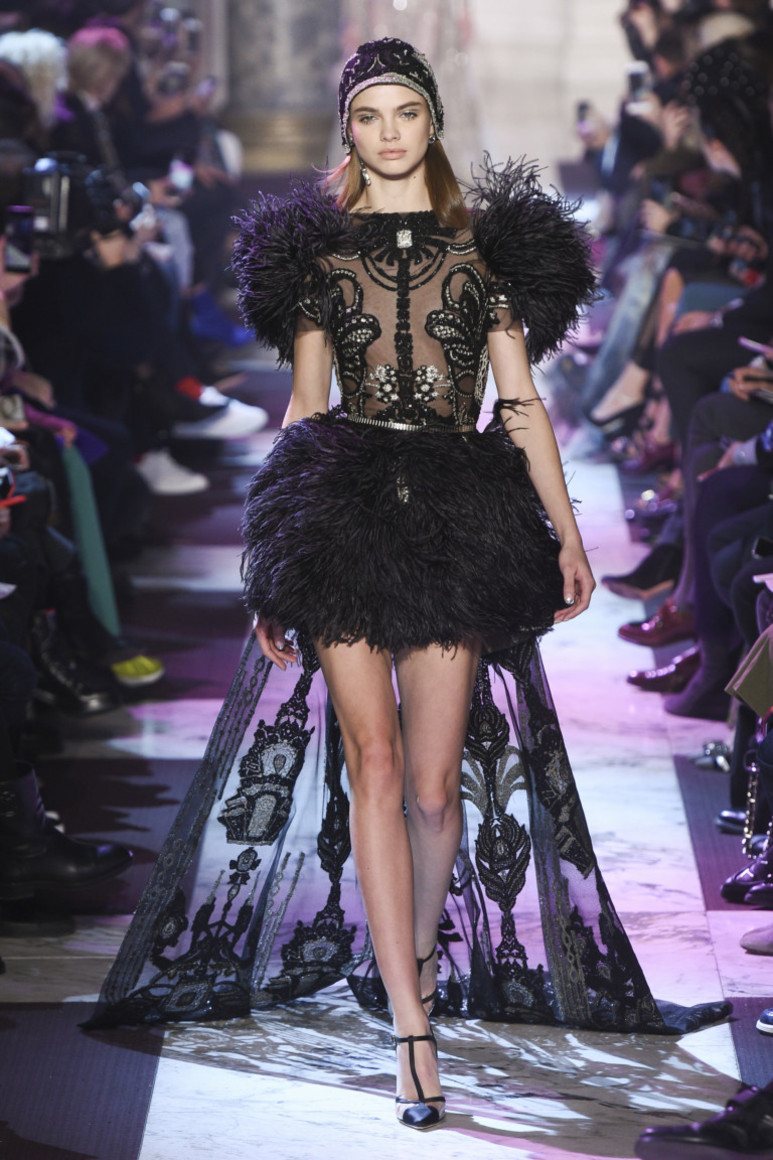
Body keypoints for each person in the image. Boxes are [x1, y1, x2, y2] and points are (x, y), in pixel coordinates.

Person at [86, 38, 729, 1130]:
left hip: (458, 518)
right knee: (373, 764)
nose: (388, 133)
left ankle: (417, 956)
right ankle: (407, 1022)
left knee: (435, 787)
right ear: (347, 129)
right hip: (338, 512)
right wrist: (269, 557)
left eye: (406, 113)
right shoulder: (315, 258)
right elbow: (303, 409)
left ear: (431, 123)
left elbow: (517, 404)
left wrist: (567, 535)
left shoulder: (486, 253)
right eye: (369, 115)